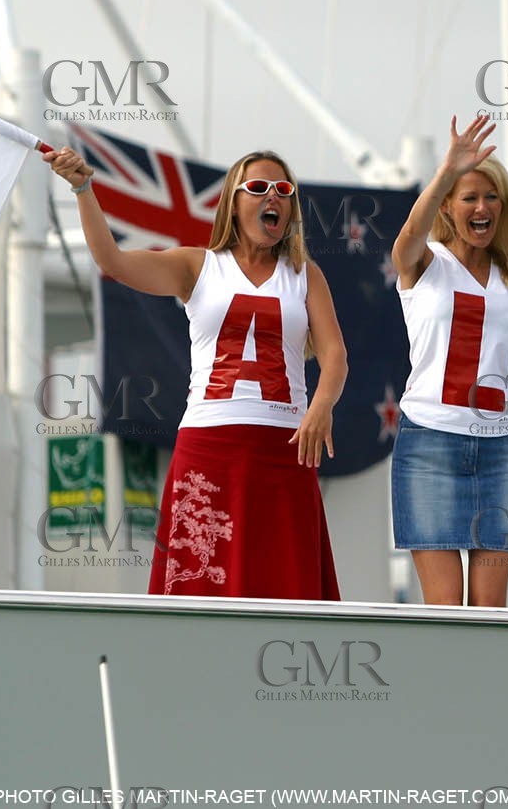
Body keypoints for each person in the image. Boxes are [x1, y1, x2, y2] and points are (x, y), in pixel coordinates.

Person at [44, 145, 346, 599]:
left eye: (283, 190)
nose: (273, 197)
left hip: (285, 452)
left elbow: (335, 353)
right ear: (233, 203)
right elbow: (113, 262)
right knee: (199, 583)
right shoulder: (198, 266)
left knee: (285, 586)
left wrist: (321, 405)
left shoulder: (305, 275)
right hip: (209, 448)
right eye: (258, 187)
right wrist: (84, 188)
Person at [390, 114, 508, 606]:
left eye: (491, 197)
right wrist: (446, 171)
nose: (481, 207)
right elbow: (407, 236)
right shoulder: (425, 262)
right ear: (448, 206)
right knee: (445, 607)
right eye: (469, 197)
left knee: (491, 611)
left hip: (500, 450)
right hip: (429, 442)